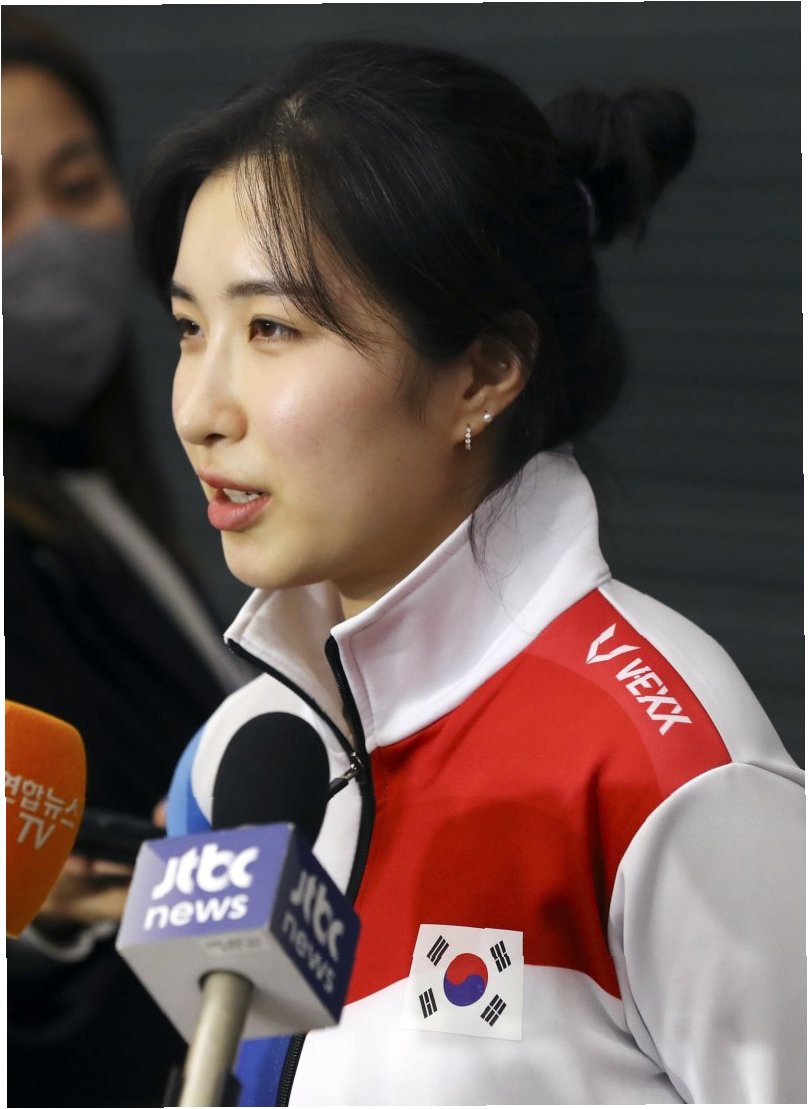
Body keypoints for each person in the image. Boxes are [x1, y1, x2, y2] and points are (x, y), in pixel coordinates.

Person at [134, 39, 805, 1106]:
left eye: (271, 328)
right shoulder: (242, 760)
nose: (200, 410)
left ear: (483, 372)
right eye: (187, 327)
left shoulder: (666, 772)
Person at [3, 13, 248, 1108]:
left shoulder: (110, 496)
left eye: (77, 184)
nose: (52, 240)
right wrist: (40, 937)